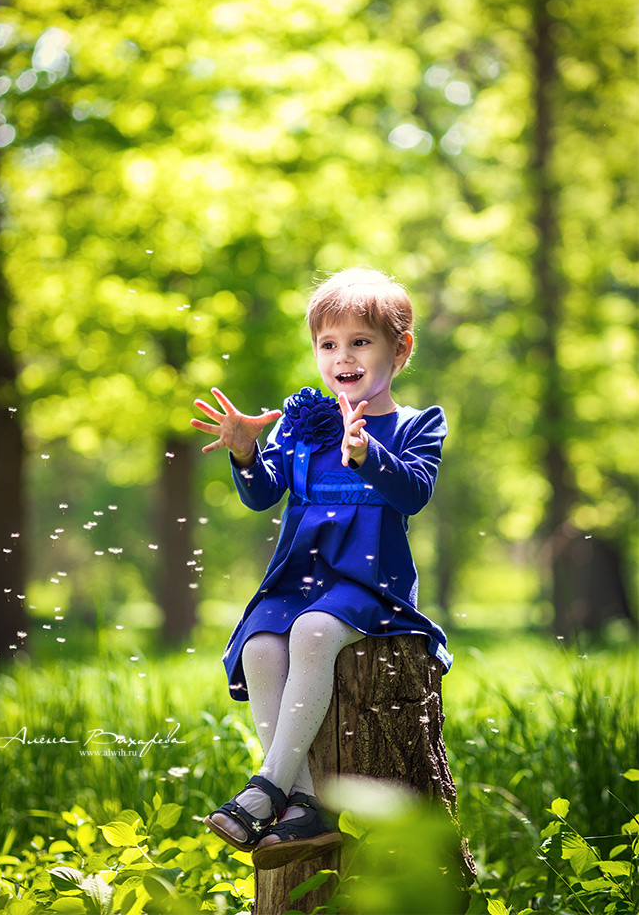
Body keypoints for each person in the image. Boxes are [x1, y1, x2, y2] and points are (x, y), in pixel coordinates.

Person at [190, 267, 452, 870]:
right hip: (300, 576)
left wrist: (366, 454)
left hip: (368, 584)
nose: (344, 356)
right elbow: (262, 494)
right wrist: (244, 452)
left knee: (312, 633)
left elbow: (413, 494)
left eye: (361, 341)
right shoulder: (304, 428)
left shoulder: (416, 425)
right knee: (259, 645)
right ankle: (305, 805)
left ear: (400, 348)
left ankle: (268, 789)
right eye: (329, 344)